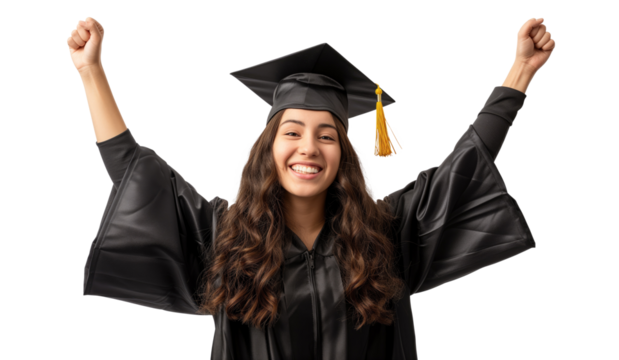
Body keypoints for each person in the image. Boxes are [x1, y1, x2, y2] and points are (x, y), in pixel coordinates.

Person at [71, 15, 554, 359]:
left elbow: (464, 167)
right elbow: (134, 170)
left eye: (327, 135)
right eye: (293, 132)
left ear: (344, 154)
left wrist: (520, 72)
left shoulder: (386, 235)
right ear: (268, 148)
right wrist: (91, 70)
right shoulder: (227, 238)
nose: (309, 148)